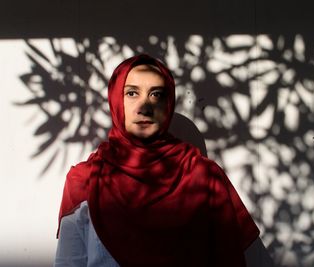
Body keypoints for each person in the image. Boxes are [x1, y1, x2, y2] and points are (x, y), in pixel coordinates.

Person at [54, 54, 266, 267]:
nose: (145, 106)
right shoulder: (85, 180)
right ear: (116, 99)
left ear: (168, 104)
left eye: (156, 94)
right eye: (131, 93)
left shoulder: (205, 176)